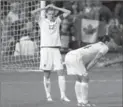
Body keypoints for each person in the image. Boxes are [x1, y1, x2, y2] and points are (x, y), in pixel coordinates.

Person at [31, 4, 71, 102]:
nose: (51, 15)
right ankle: (48, 95)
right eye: (49, 14)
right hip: (45, 50)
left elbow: (68, 12)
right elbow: (32, 13)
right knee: (47, 74)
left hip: (56, 50)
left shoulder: (58, 20)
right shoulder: (42, 20)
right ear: (46, 14)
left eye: (52, 14)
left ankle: (63, 95)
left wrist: (56, 7)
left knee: (61, 72)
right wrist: (44, 8)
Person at [64, 36, 113, 107]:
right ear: (107, 42)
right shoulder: (105, 47)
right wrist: (87, 69)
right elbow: (96, 59)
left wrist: (86, 68)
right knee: (85, 78)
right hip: (76, 57)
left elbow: (88, 57)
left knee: (79, 79)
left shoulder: (97, 44)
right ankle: (85, 102)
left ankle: (80, 102)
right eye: (111, 42)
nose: (112, 43)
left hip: (69, 55)